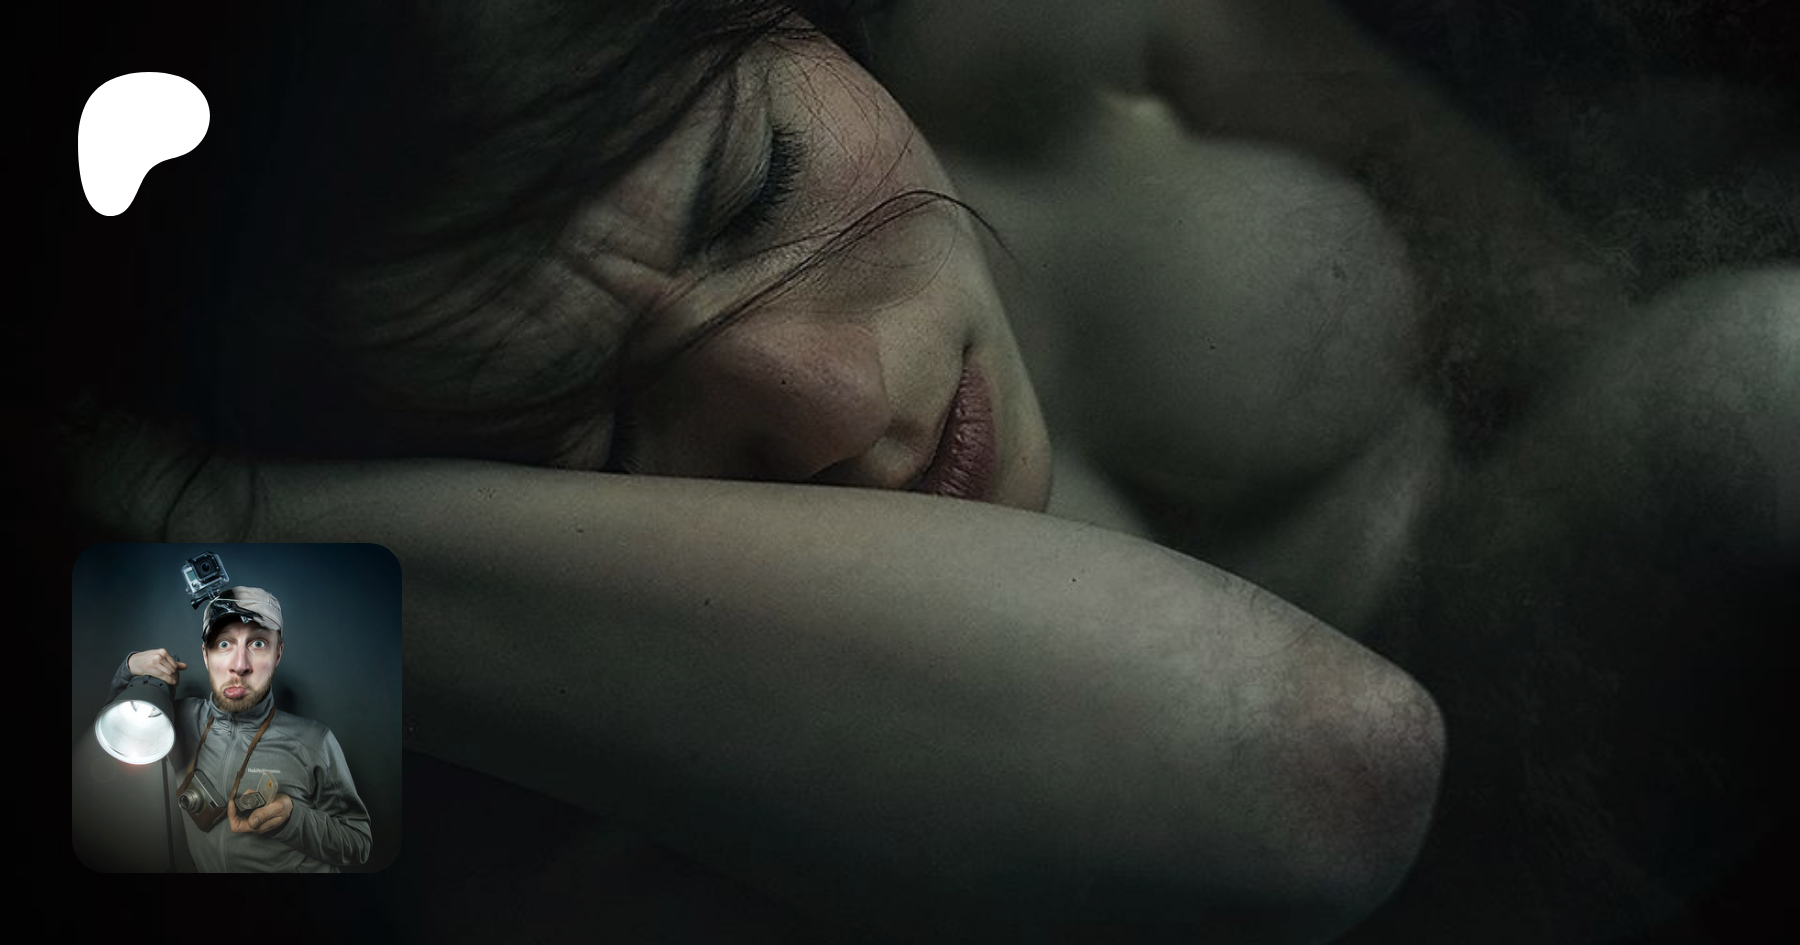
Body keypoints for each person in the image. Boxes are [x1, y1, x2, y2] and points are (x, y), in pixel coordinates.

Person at [57, 0, 1790, 940]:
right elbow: (1312, 775)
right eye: (580, 429)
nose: (825, 397)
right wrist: (223, 530)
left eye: (754, 190)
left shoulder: (1009, 31)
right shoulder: (330, 670)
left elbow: (1547, 281)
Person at [110, 587, 374, 873]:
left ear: (278, 654)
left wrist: (293, 820)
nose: (239, 666)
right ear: (206, 655)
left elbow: (358, 843)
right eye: (224, 644)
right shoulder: (175, 722)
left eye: (258, 644)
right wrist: (129, 667)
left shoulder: (314, 743)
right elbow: (117, 722)